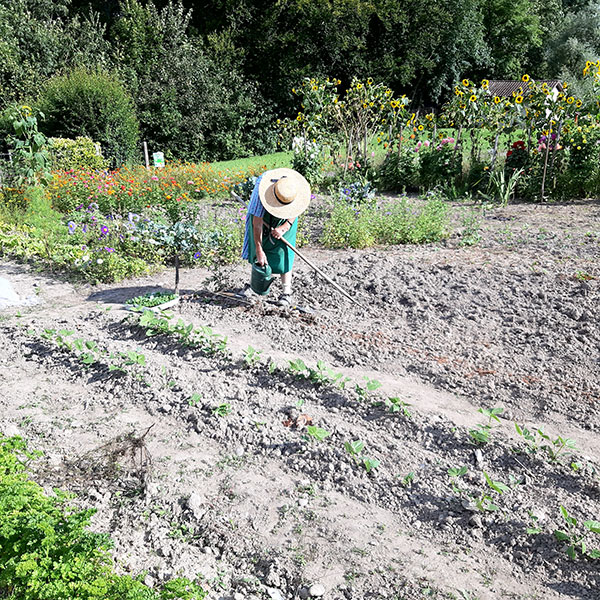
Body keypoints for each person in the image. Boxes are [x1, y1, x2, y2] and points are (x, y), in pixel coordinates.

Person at [241, 168, 311, 306]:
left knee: (284, 252)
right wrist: (259, 250)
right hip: (262, 218)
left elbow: (297, 208)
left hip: (286, 219)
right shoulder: (260, 193)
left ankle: (286, 293)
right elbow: (257, 224)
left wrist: (285, 226)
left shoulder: (293, 188)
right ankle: (255, 286)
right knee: (259, 254)